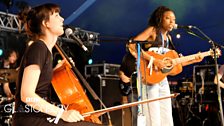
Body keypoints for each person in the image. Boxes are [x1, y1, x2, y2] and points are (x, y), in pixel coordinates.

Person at [13, 3, 103, 126]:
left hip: (40, 117)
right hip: (31, 119)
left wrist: (58, 69)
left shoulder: (46, 50)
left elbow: (40, 83)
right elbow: (27, 95)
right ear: (46, 23)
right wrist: (62, 113)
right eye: (56, 15)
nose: (62, 19)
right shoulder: (38, 47)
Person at [128, 6, 204, 126]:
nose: (171, 22)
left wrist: (195, 60)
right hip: (149, 77)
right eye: (168, 18)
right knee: (153, 116)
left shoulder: (168, 38)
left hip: (162, 79)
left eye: (173, 19)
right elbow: (132, 45)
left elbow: (174, 63)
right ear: (160, 19)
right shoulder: (153, 31)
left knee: (166, 114)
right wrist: (153, 60)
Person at [119, 43, 138, 126]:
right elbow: (120, 70)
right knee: (135, 116)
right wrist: (122, 75)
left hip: (144, 90)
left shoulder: (143, 55)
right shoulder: (126, 57)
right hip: (132, 91)